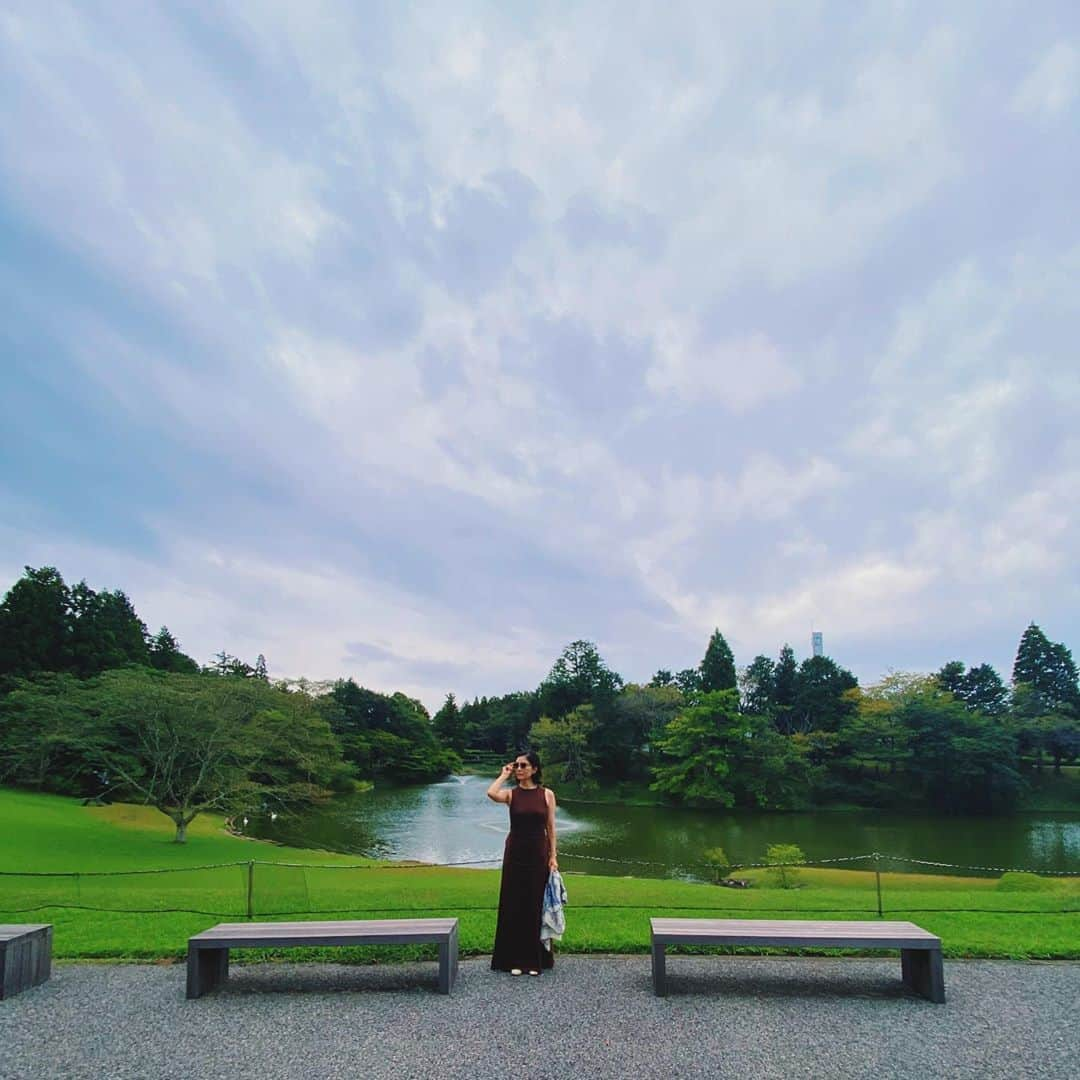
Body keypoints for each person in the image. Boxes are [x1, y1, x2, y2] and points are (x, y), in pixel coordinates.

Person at [487, 750, 558, 976]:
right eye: (516, 765)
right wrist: (503, 774)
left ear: (534, 769)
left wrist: (553, 856)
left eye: (523, 765)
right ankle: (513, 960)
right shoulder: (511, 794)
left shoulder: (547, 795)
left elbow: (551, 829)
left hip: (538, 853)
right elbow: (491, 793)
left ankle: (537, 960)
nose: (518, 769)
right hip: (515, 854)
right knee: (514, 904)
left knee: (535, 905)